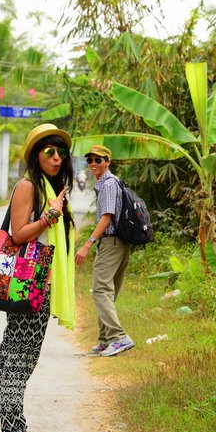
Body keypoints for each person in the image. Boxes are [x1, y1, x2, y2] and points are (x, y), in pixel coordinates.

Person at [0, 123, 75, 432]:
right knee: (23, 352)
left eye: (61, 152)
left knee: (9, 350)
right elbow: (18, 234)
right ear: (36, 155)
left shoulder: (48, 186)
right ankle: (14, 430)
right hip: (29, 278)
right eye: (50, 152)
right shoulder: (29, 186)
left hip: (35, 279)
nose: (57, 158)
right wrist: (49, 216)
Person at [74, 144, 135, 357]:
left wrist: (87, 244)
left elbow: (106, 216)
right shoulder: (112, 182)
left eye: (98, 160)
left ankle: (118, 338)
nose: (93, 164)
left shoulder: (108, 184)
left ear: (107, 162)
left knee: (100, 289)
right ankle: (105, 340)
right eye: (90, 160)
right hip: (120, 243)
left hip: (111, 243)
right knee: (108, 291)